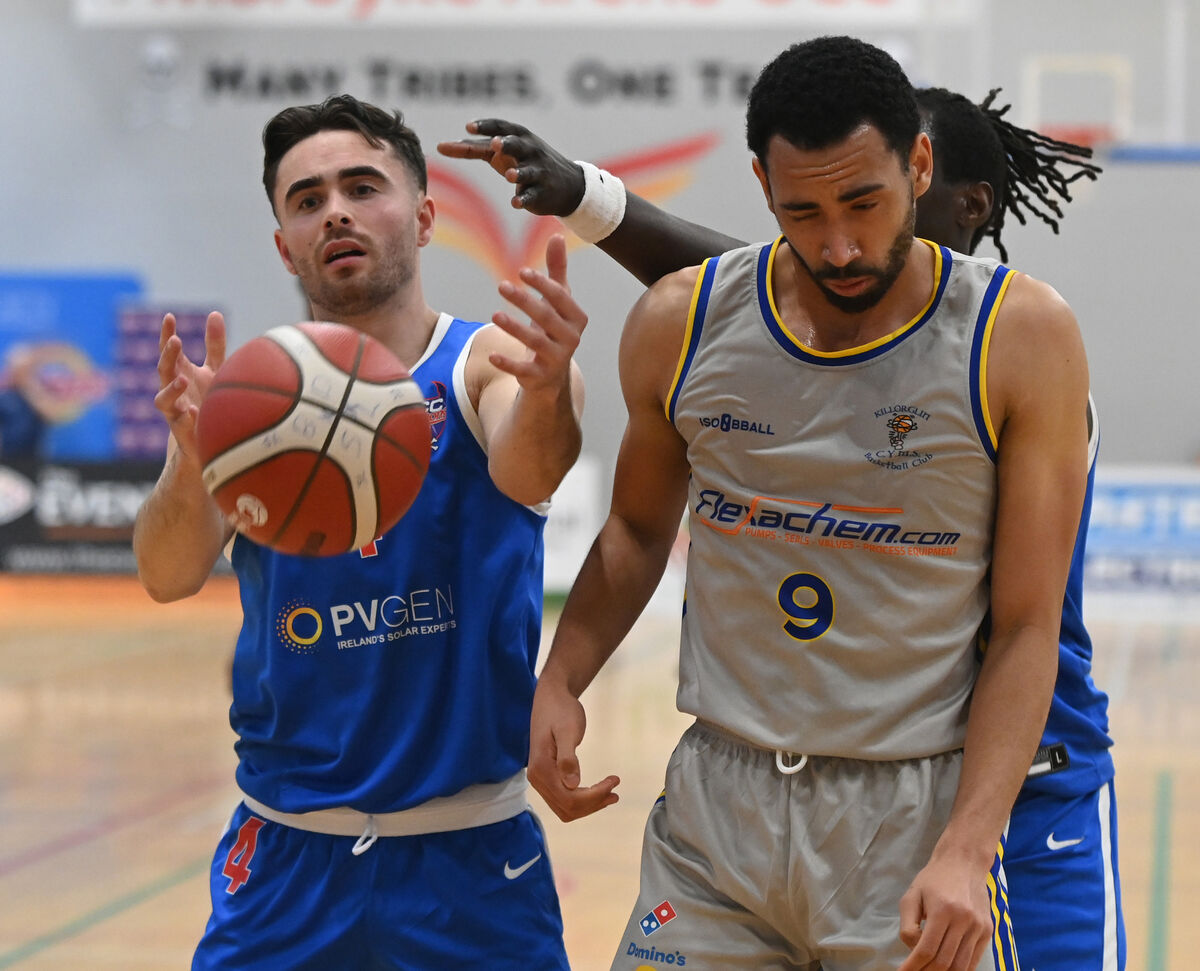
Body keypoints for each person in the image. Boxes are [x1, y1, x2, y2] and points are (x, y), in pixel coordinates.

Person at [440, 84, 1125, 969]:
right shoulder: (782, 306)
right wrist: (581, 193)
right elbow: (753, 300)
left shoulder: (1018, 348)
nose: (839, 247)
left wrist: (590, 198)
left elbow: (1025, 624)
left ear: (935, 187)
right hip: (754, 781)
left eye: (874, 201)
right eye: (805, 211)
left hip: (1017, 767)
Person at [132, 94, 587, 970]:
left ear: (421, 217)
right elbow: (166, 573)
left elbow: (529, 470)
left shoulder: (492, 362)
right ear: (284, 243)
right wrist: (193, 459)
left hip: (471, 859)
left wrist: (546, 388)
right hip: (286, 855)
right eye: (306, 200)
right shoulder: (255, 402)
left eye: (361, 186)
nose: (334, 210)